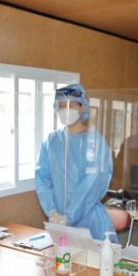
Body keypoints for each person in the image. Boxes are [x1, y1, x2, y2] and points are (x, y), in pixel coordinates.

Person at [35, 84, 117, 242]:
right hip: (59, 221)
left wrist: (70, 216)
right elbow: (42, 179)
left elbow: (92, 184)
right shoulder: (52, 141)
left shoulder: (95, 142)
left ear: (82, 107)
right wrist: (52, 211)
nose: (64, 109)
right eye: (60, 105)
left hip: (90, 221)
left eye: (70, 105)